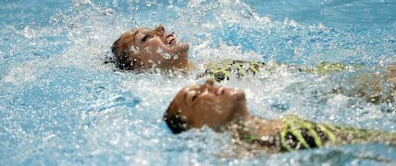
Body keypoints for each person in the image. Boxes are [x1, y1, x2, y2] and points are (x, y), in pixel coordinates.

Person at [110, 25, 396, 102]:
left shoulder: (205, 67)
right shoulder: (195, 93)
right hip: (328, 93)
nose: (163, 31)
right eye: (147, 38)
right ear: (142, 66)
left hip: (323, 77)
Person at [163, 79, 396, 154]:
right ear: (197, 127)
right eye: (195, 96)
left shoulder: (273, 124)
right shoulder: (252, 149)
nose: (209, 83)